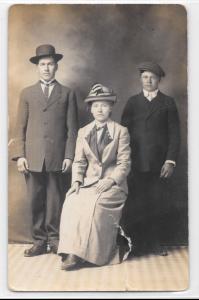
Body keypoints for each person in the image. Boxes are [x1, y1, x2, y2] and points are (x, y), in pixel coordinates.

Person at [11, 44, 78, 257]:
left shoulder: (67, 93)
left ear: (56, 66)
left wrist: (69, 155)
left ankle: (55, 240)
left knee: (56, 199)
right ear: (37, 67)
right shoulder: (27, 93)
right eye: (42, 64)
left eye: (50, 64)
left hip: (58, 157)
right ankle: (39, 241)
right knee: (35, 200)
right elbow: (19, 127)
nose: (46, 68)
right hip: (32, 157)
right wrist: (20, 155)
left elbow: (72, 129)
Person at [58, 83, 132, 270]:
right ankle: (71, 251)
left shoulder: (120, 131)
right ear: (90, 109)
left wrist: (110, 180)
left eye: (104, 105)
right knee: (71, 201)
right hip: (88, 184)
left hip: (113, 185)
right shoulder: (83, 132)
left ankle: (89, 255)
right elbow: (79, 162)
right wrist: (76, 181)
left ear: (111, 108)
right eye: (96, 105)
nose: (100, 109)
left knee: (96, 206)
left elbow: (125, 163)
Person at [121, 61, 180, 256]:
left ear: (159, 80)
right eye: (145, 77)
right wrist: (125, 161)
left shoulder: (168, 102)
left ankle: (155, 243)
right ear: (140, 79)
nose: (148, 80)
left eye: (152, 77)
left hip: (158, 164)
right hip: (136, 163)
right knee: (136, 203)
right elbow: (123, 133)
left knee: (156, 203)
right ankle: (137, 243)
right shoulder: (132, 102)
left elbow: (175, 134)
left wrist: (170, 161)